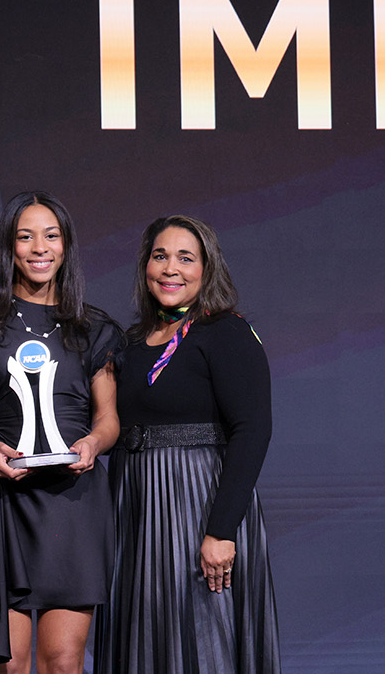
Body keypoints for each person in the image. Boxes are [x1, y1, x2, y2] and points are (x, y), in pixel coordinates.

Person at [0, 191, 121, 674]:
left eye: (51, 235)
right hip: (4, 498)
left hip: (74, 501)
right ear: (9, 246)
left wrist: (93, 443)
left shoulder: (93, 325)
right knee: (10, 663)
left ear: (66, 246)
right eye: (25, 237)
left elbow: (109, 419)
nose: (39, 247)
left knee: (63, 661)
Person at [98, 215, 280, 674]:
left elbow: (253, 430)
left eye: (185, 257)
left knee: (200, 641)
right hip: (135, 511)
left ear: (207, 268)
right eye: (160, 256)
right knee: (142, 642)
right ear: (145, 267)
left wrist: (220, 531)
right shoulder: (130, 342)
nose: (170, 268)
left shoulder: (226, 332)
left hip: (196, 507)